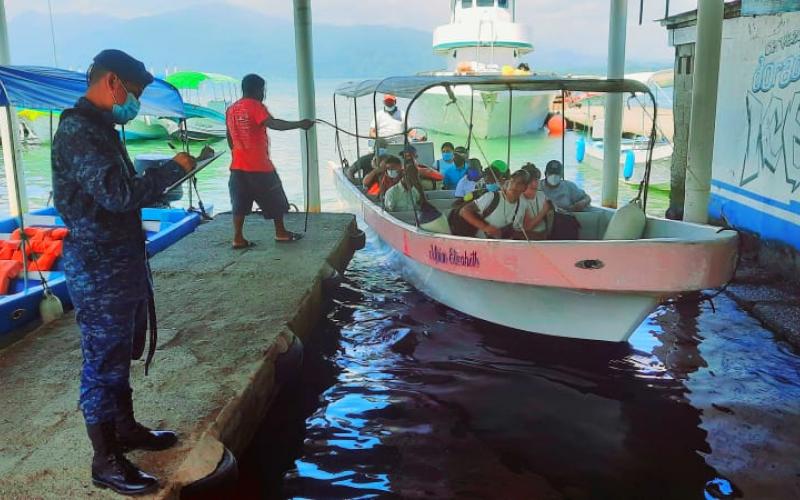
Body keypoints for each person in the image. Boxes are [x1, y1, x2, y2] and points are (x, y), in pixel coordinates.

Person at [52, 49, 198, 495]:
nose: (134, 102)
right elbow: (117, 195)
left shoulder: (101, 128)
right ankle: (106, 460)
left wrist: (162, 182)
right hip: (98, 267)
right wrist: (170, 171)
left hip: (120, 259)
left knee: (120, 354)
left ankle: (126, 429)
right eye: (133, 91)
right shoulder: (78, 131)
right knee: (103, 362)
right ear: (112, 81)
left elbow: (117, 192)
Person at [226, 74, 314, 247]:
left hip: (237, 167)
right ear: (257, 90)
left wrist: (238, 153)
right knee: (276, 200)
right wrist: (299, 124)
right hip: (260, 167)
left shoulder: (231, 109)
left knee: (239, 204)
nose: (263, 94)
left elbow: (229, 136)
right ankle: (281, 233)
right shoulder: (256, 106)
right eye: (263, 90)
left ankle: (238, 238)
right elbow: (273, 124)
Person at [458, 169, 531, 239]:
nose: (514, 185)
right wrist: (485, 227)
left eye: (520, 183)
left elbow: (517, 230)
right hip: (481, 242)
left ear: (525, 188)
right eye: (513, 181)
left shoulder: (522, 205)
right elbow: (464, 211)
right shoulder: (492, 197)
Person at [516, 163, 553, 240]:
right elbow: (527, 227)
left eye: (536, 180)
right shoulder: (518, 200)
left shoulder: (542, 195)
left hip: (544, 236)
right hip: (525, 239)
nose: (534, 184)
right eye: (530, 181)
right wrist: (544, 211)